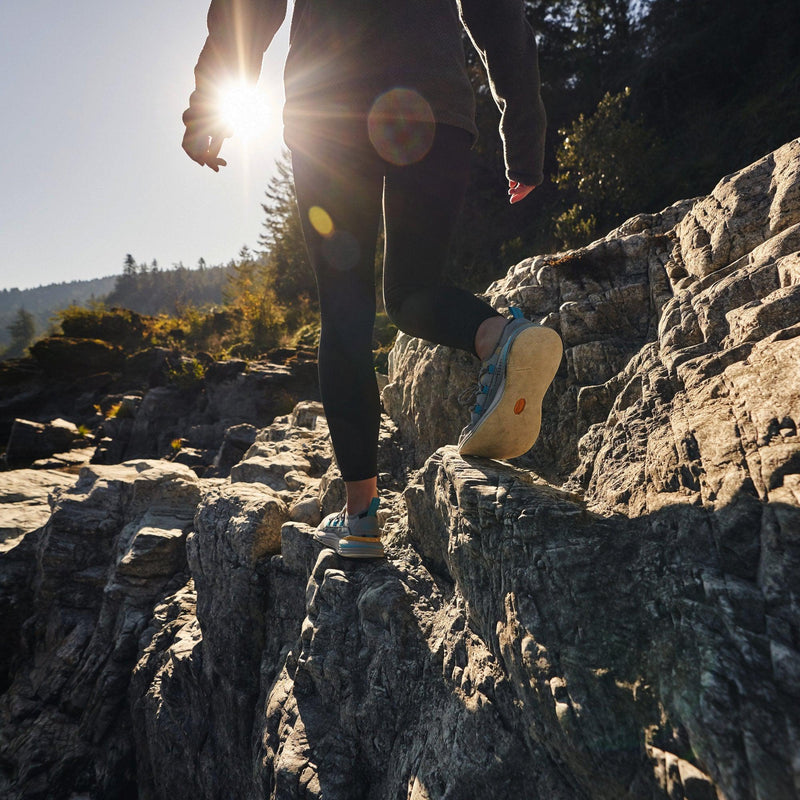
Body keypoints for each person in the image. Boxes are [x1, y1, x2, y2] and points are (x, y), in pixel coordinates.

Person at [183, 0, 563, 559]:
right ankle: (499, 338)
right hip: (436, 106)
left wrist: (208, 108)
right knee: (414, 290)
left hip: (330, 111)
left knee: (344, 312)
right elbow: (498, 13)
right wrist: (524, 135)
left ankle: (360, 516)